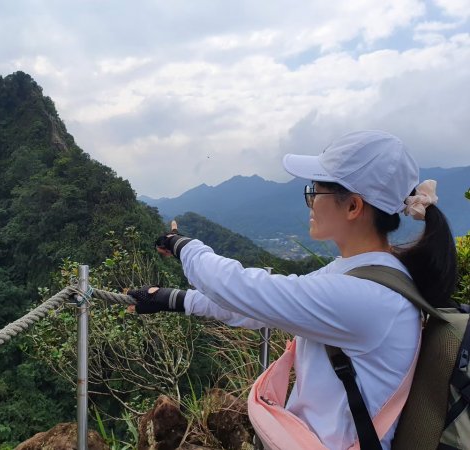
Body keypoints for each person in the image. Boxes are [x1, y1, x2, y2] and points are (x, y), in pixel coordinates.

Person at [127, 130, 458, 450]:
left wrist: (184, 246)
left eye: (316, 191)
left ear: (353, 207)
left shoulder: (368, 297)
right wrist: (172, 299)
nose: (310, 201)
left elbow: (242, 288)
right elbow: (257, 308)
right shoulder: (363, 273)